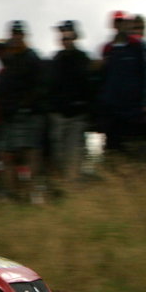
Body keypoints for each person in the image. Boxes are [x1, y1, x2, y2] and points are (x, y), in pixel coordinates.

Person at [0, 21, 46, 199]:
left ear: (24, 35)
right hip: (9, 115)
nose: (16, 36)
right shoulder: (10, 59)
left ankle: (31, 191)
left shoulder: (31, 58)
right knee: (7, 154)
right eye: (14, 33)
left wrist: (26, 104)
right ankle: (13, 193)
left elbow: (39, 86)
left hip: (28, 114)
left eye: (19, 33)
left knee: (30, 153)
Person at [95, 13, 146, 160]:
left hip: (132, 110)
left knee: (133, 151)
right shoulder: (107, 48)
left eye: (123, 22)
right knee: (112, 152)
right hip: (111, 111)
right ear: (114, 25)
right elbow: (101, 78)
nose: (121, 25)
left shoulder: (138, 47)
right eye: (118, 22)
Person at [45, 21, 93, 184]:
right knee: (58, 156)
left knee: (73, 156)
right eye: (63, 36)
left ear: (74, 37)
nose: (65, 39)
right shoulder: (55, 60)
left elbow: (89, 87)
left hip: (76, 116)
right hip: (58, 116)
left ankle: (72, 189)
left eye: (68, 36)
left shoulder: (83, 60)